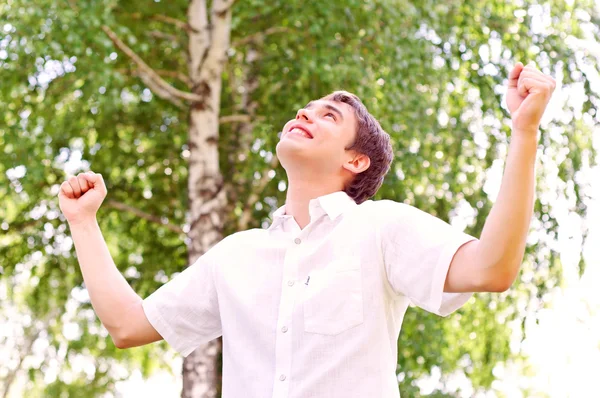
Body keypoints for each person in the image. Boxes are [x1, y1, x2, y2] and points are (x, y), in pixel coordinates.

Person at [58, 62, 555, 398]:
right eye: (304, 109)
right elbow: (127, 325)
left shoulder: (381, 226)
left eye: (328, 115)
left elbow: (493, 268)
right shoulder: (236, 256)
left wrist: (524, 130)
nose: (304, 113)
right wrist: (83, 222)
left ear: (355, 160)